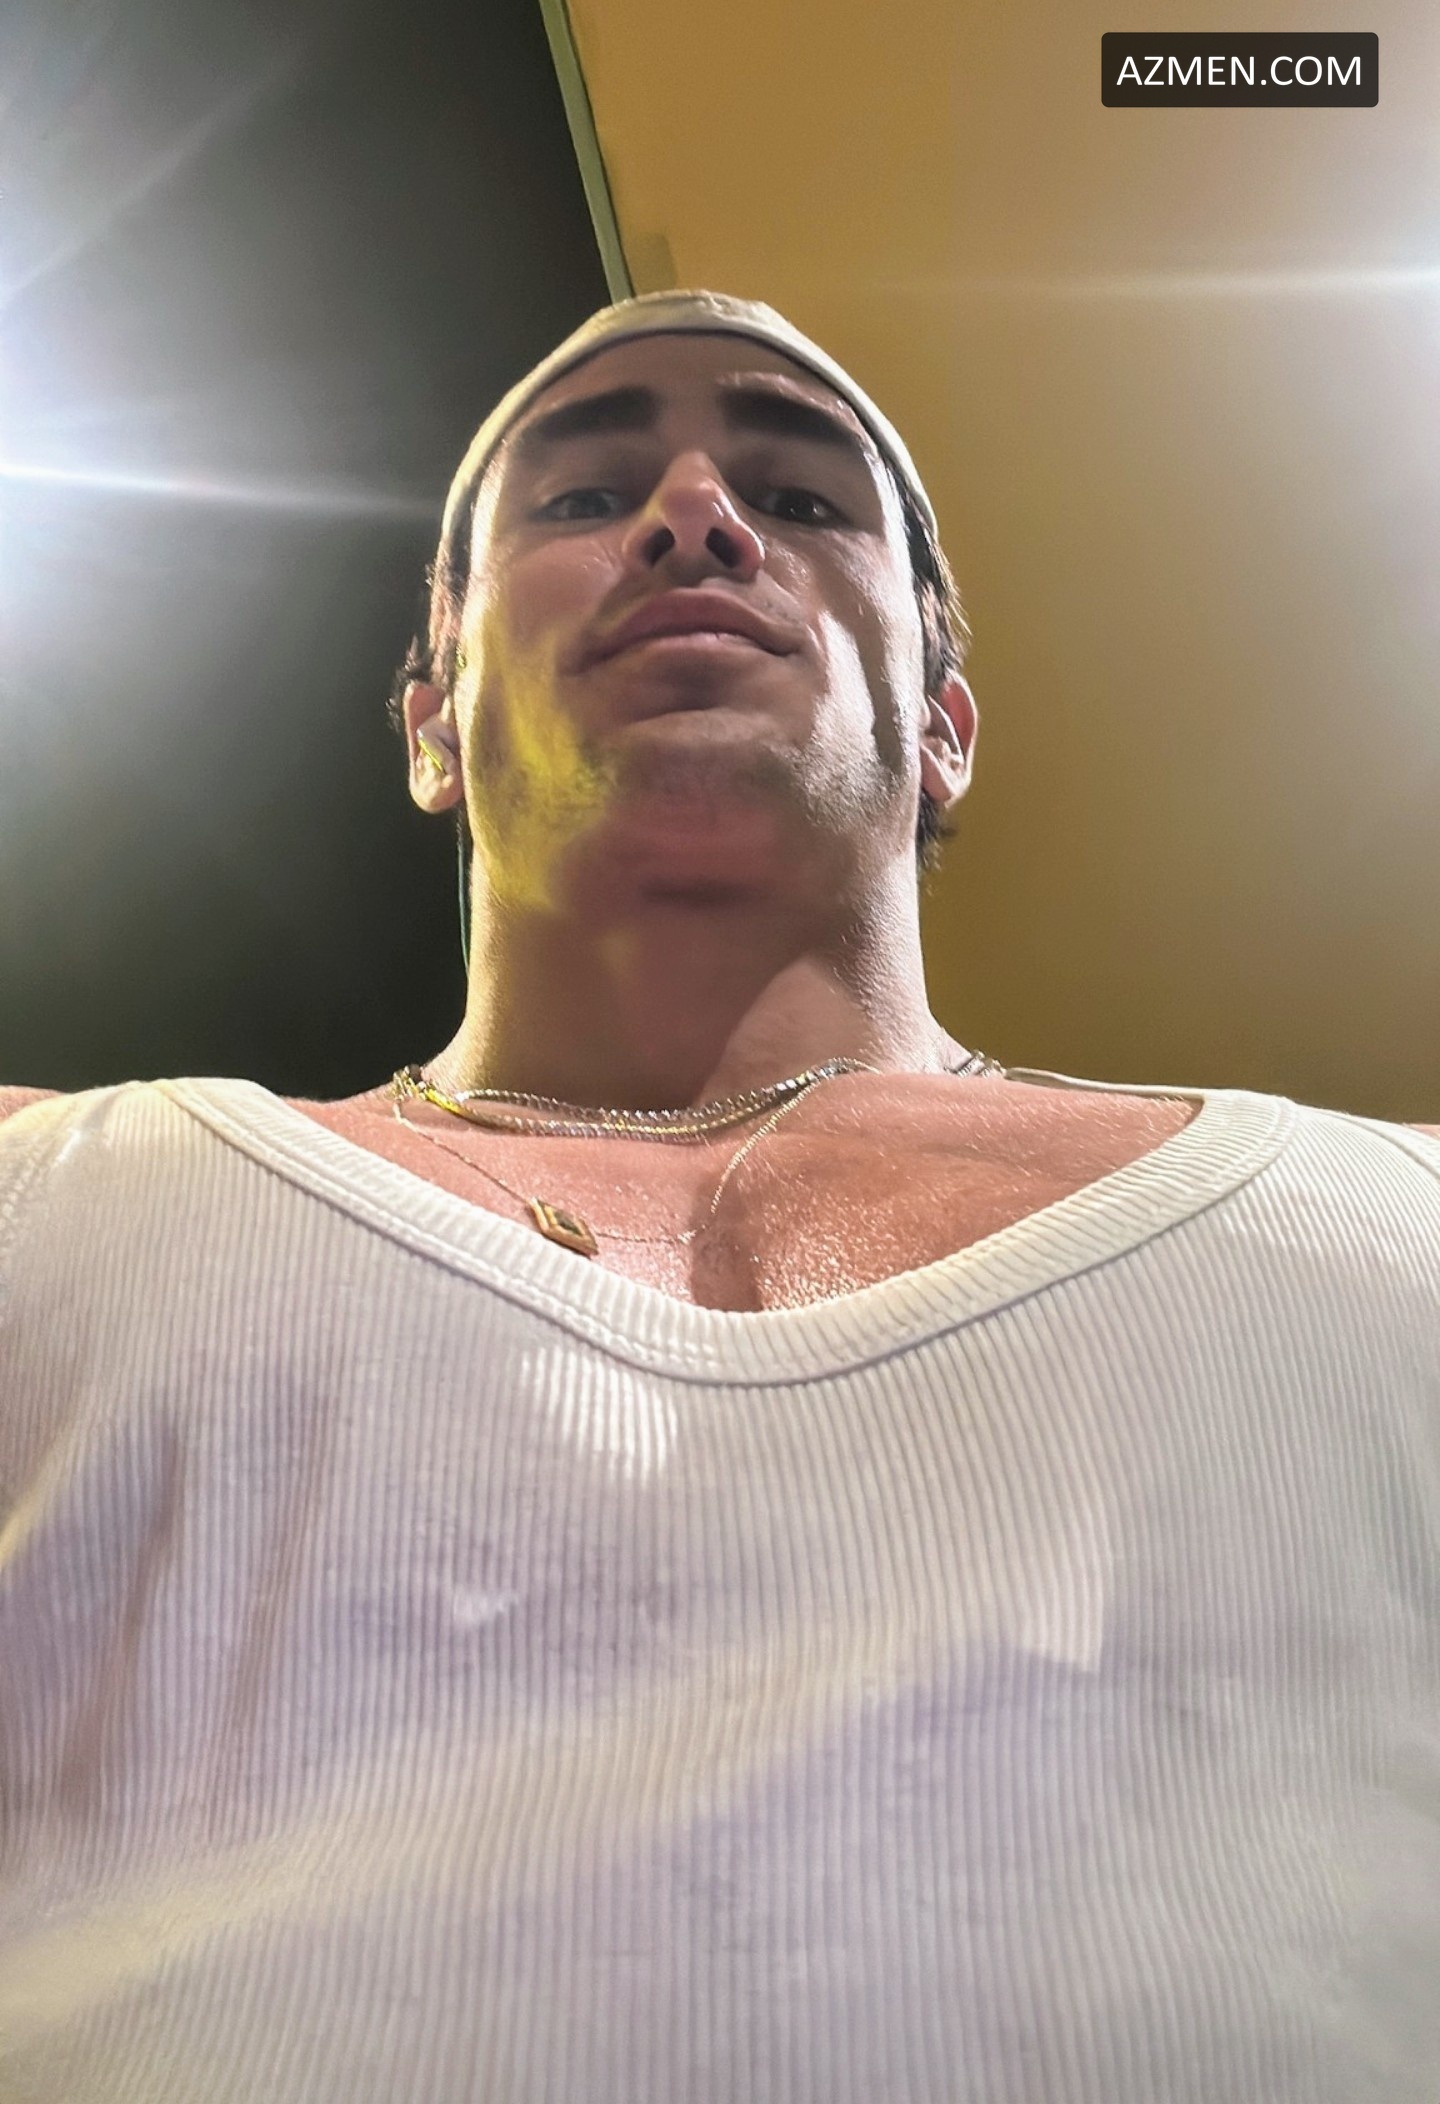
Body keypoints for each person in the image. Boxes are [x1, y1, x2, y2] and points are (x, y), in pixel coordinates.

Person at [0, 290, 1436, 2103]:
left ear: (947, 726)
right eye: (586, 495)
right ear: (431, 723)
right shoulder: (45, 1189)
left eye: (805, 496)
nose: (697, 513)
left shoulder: (1399, 1209)